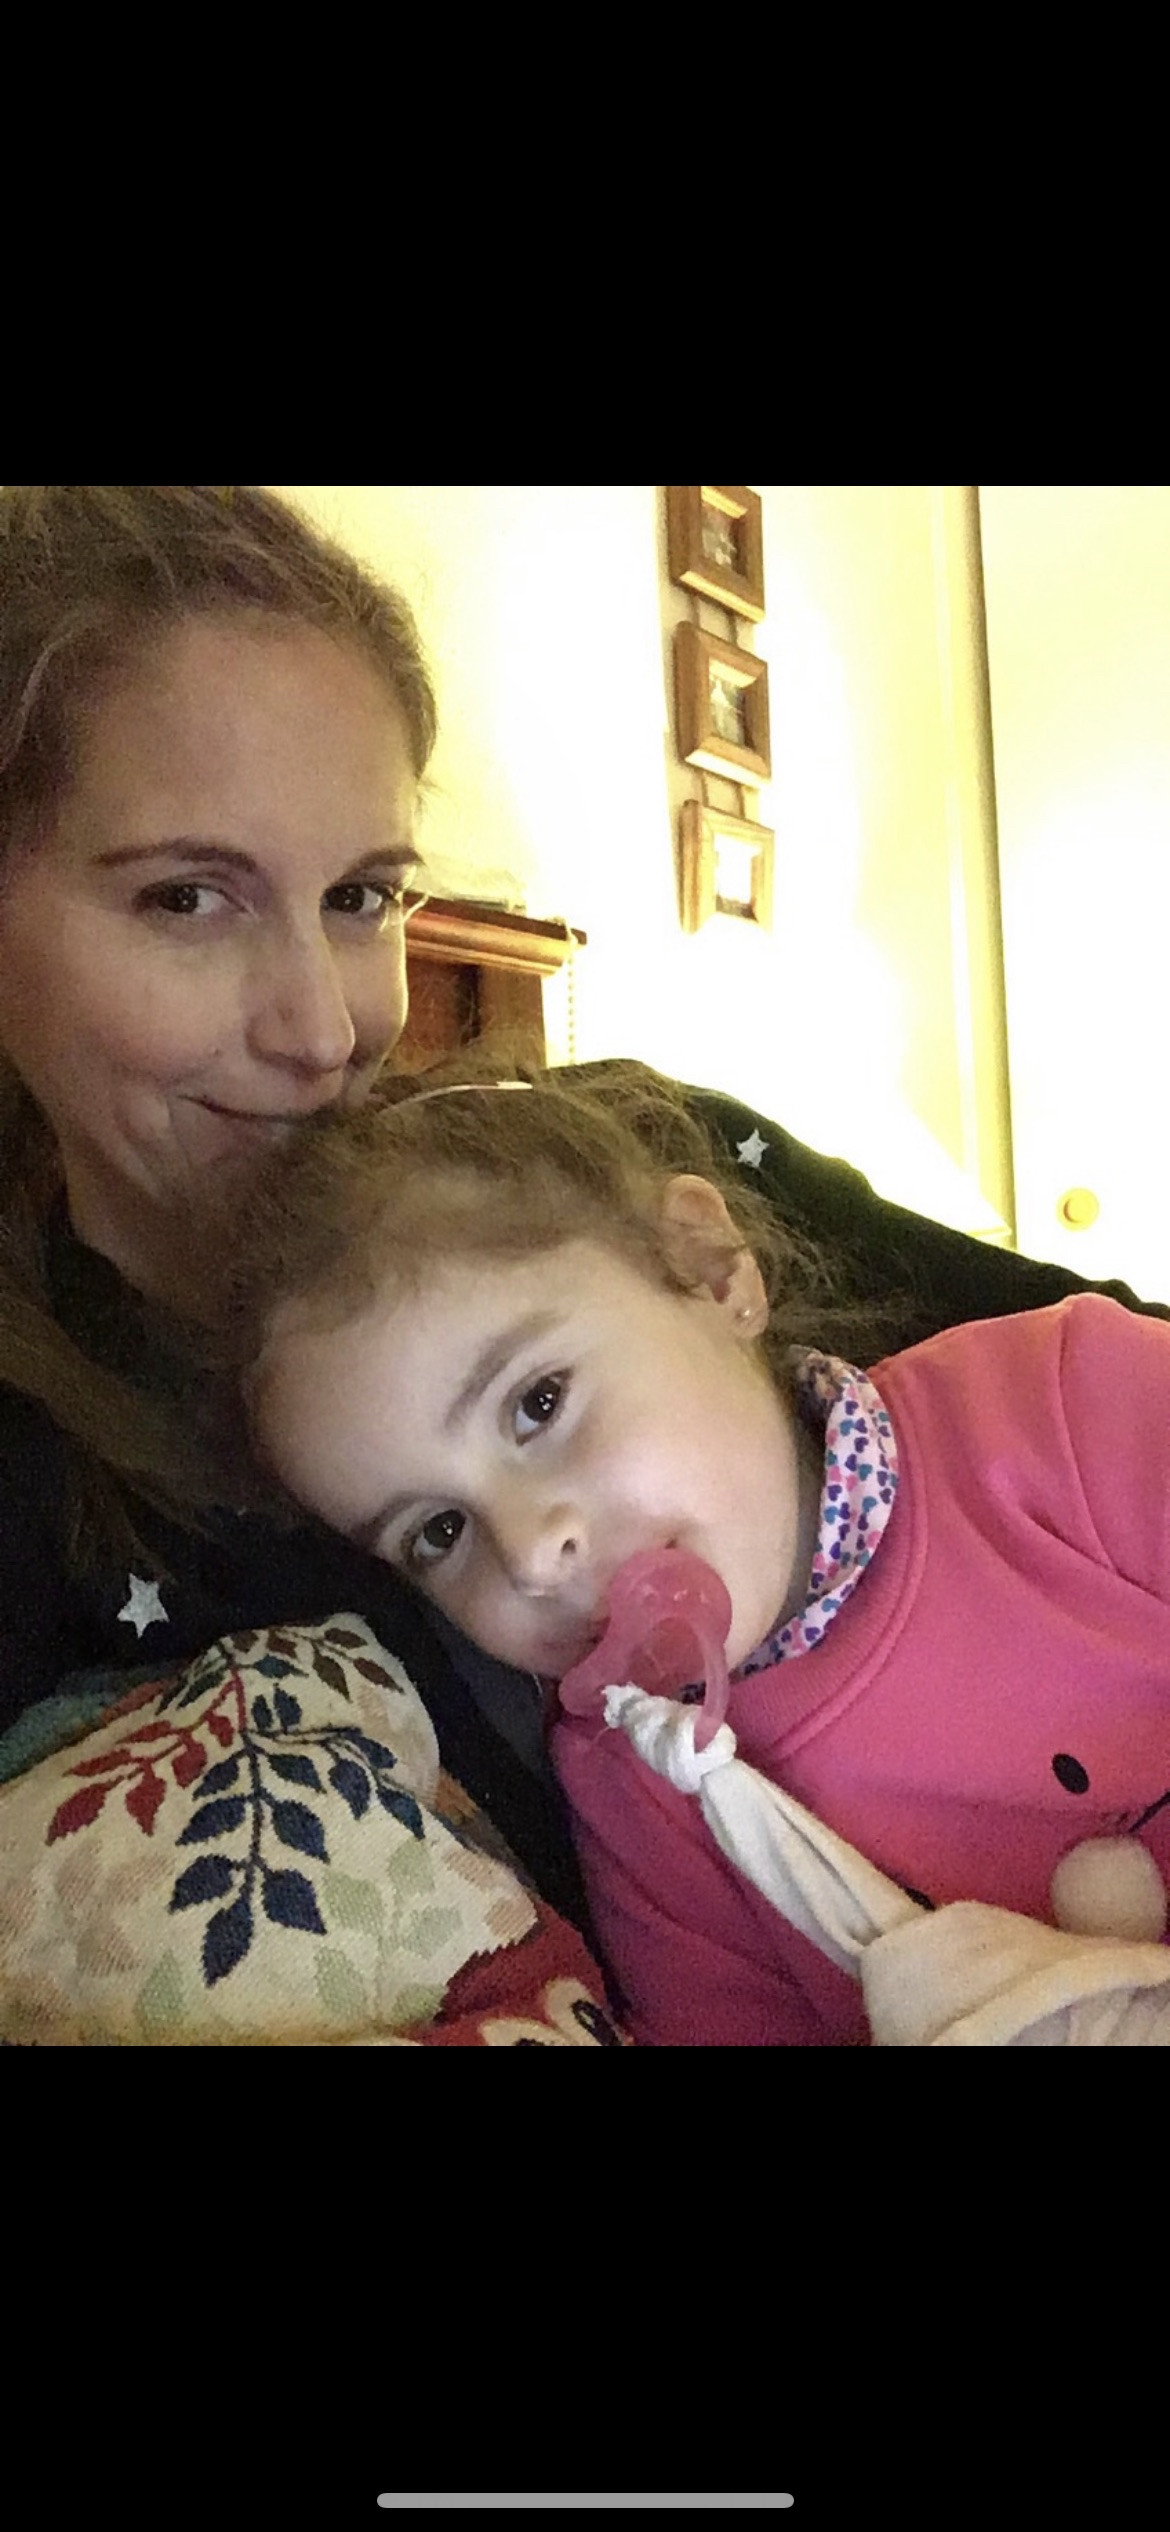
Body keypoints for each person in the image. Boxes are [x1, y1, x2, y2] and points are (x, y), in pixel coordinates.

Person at [1, 483, 1166, 2045]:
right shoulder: (37, 1489)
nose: (322, 1028)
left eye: (361, 898)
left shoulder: (611, 1169)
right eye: (187, 898)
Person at [221, 1061, 1170, 2046]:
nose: (533, 1556)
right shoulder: (636, 1785)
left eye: (538, 1404)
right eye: (439, 1532)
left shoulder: (1064, 1402)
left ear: (712, 1271)